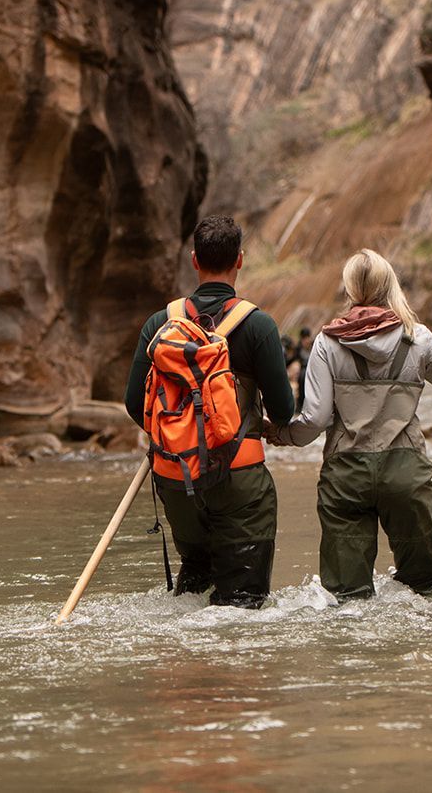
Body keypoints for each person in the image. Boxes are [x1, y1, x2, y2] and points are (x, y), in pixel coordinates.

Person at [269, 249, 432, 601]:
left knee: (347, 600)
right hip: (405, 474)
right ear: (389, 285)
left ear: (349, 289)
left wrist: (278, 434)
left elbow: (314, 421)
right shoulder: (419, 338)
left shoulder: (326, 343)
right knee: (424, 591)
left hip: (345, 477)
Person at [124, 215, 295, 608]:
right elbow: (284, 411)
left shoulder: (159, 324)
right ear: (240, 260)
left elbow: (135, 403)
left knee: (194, 587)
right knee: (243, 605)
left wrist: (175, 440)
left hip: (178, 480)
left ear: (194, 260)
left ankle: (192, 670)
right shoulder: (258, 326)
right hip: (240, 483)